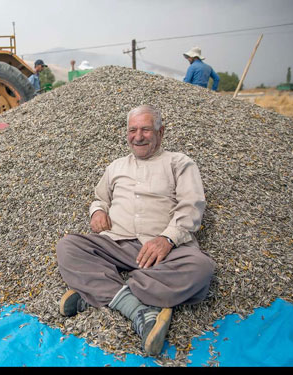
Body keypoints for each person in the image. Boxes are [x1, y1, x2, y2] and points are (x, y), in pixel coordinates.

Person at [55, 105, 216, 357]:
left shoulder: (179, 163)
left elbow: (192, 206)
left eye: (146, 130)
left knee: (201, 268)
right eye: (132, 130)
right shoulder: (116, 166)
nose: (138, 136)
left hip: (163, 250)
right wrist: (97, 211)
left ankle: (104, 292)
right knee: (68, 247)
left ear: (161, 132)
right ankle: (138, 305)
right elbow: (100, 198)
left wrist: (167, 238)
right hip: (116, 244)